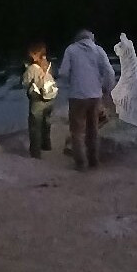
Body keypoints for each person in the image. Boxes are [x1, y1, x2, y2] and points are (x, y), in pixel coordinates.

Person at [58, 29, 116, 171]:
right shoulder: (99, 50)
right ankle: (93, 161)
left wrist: (69, 83)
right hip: (95, 95)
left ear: (77, 39)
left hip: (77, 95)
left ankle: (81, 163)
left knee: (77, 131)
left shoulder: (71, 50)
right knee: (93, 129)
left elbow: (63, 73)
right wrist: (106, 88)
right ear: (92, 39)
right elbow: (110, 72)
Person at [21, 42, 57, 158]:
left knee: (35, 126)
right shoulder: (49, 65)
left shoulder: (32, 68)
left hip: (37, 100)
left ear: (34, 55)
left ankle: (35, 152)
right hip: (50, 99)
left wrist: (26, 70)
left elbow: (24, 83)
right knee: (46, 122)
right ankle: (46, 144)